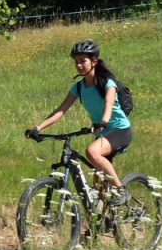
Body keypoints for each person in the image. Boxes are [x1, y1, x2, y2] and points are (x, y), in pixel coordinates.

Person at [24, 39, 132, 205]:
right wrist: (37, 128)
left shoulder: (107, 83)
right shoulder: (79, 87)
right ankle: (101, 224)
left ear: (94, 61)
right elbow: (60, 110)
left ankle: (121, 190)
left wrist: (103, 122)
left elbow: (109, 104)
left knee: (91, 152)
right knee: (98, 184)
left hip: (119, 130)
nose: (79, 65)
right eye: (76, 62)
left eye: (83, 61)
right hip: (102, 133)